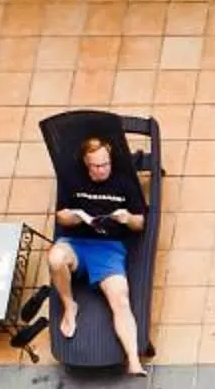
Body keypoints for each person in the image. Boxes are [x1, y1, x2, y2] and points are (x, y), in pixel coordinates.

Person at [45, 131, 147, 376]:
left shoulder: (124, 182)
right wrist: (77, 215)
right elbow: (61, 216)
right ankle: (70, 306)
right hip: (77, 242)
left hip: (109, 248)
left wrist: (127, 218)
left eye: (105, 164)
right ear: (86, 164)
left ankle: (133, 360)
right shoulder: (72, 179)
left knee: (120, 299)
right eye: (96, 166)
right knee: (55, 258)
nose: (102, 170)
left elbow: (140, 224)